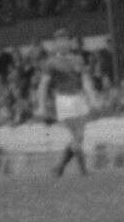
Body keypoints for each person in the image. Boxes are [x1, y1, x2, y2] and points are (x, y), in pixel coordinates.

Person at [39, 41, 100, 177]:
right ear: (56, 44)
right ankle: (83, 171)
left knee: (79, 136)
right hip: (64, 100)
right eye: (60, 41)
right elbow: (43, 85)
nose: (64, 43)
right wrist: (42, 107)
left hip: (79, 98)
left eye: (66, 40)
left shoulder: (78, 59)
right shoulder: (51, 63)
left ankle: (60, 168)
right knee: (77, 136)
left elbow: (85, 80)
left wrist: (93, 100)